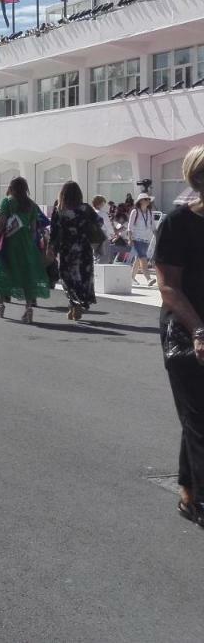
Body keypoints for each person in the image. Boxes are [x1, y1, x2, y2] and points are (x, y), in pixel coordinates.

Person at [153, 145, 204, 527]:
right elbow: (169, 287)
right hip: (185, 329)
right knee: (200, 415)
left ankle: (188, 492)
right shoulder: (175, 224)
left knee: (196, 417)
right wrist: (199, 329)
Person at [0, 176, 50, 323]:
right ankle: (28, 308)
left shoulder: (8, 202)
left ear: (12, 187)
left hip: (9, 243)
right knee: (27, 275)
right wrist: (30, 243)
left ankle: (0, 305)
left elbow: (2, 223)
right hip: (26, 244)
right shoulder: (31, 205)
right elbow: (34, 228)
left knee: (2, 271)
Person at [50, 181, 98, 321]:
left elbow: (54, 231)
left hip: (67, 249)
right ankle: (78, 304)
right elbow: (98, 224)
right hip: (84, 249)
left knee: (67, 278)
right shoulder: (86, 208)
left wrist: (51, 247)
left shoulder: (59, 209)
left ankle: (73, 303)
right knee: (83, 277)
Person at [128, 192, 158, 287]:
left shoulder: (149, 213)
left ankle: (131, 278)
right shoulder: (135, 212)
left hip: (146, 239)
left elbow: (153, 227)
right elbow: (130, 227)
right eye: (146, 199)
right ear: (140, 201)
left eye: (149, 199)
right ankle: (148, 278)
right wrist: (130, 239)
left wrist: (158, 236)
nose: (148, 201)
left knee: (138, 259)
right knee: (143, 258)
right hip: (137, 238)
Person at [91, 195, 113, 263]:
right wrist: (112, 234)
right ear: (99, 203)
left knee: (95, 254)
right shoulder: (102, 214)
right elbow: (108, 225)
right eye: (103, 203)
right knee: (104, 255)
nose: (103, 205)